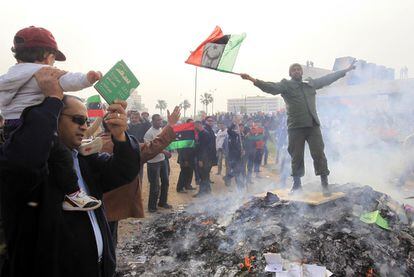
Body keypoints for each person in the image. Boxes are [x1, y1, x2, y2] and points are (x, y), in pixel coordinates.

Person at [0, 67, 140, 276]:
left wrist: (120, 137)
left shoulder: (84, 160)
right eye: (77, 119)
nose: (84, 126)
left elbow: (124, 172)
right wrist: (52, 100)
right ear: (54, 117)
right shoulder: (33, 166)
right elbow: (25, 165)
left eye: (86, 121)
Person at [0, 26, 102, 211]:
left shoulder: (7, 77)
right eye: (54, 58)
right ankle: (73, 194)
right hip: (35, 126)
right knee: (61, 155)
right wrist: (88, 78)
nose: (54, 63)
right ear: (47, 55)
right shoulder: (45, 73)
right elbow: (69, 80)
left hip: (11, 129)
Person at [241, 61, 356, 194]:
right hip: (296, 127)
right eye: (294, 70)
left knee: (319, 154)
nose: (297, 71)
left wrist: (345, 71)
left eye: (299, 69)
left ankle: (325, 184)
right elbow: (270, 87)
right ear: (290, 73)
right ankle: (297, 185)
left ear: (302, 72)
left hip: (313, 126)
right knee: (296, 156)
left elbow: (327, 79)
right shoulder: (286, 85)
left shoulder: (310, 84)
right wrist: (251, 79)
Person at [102, 107, 180, 248]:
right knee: (108, 243)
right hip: (111, 208)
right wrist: (171, 126)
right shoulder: (124, 148)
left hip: (99, 206)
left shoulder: (92, 143)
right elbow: (151, 147)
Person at [144, 114, 172, 212]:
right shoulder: (149, 133)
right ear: (153, 121)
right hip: (153, 163)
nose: (160, 122)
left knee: (165, 182)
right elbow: (150, 148)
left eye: (160, 120)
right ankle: (152, 207)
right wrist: (164, 152)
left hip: (162, 160)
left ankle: (162, 202)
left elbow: (163, 143)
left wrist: (167, 151)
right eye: (157, 120)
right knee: (155, 185)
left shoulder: (161, 130)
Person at [193, 116, 217, 197]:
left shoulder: (204, 134)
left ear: (199, 125)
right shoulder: (204, 132)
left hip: (205, 158)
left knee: (203, 175)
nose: (194, 128)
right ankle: (208, 190)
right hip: (207, 158)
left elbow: (203, 148)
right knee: (205, 175)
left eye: (195, 127)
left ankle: (202, 192)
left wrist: (200, 159)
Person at [176, 118, 197, 193]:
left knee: (190, 171)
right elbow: (182, 148)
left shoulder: (193, 133)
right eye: (190, 124)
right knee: (184, 172)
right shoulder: (184, 133)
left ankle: (188, 185)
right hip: (184, 157)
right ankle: (180, 188)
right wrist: (185, 160)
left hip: (191, 156)